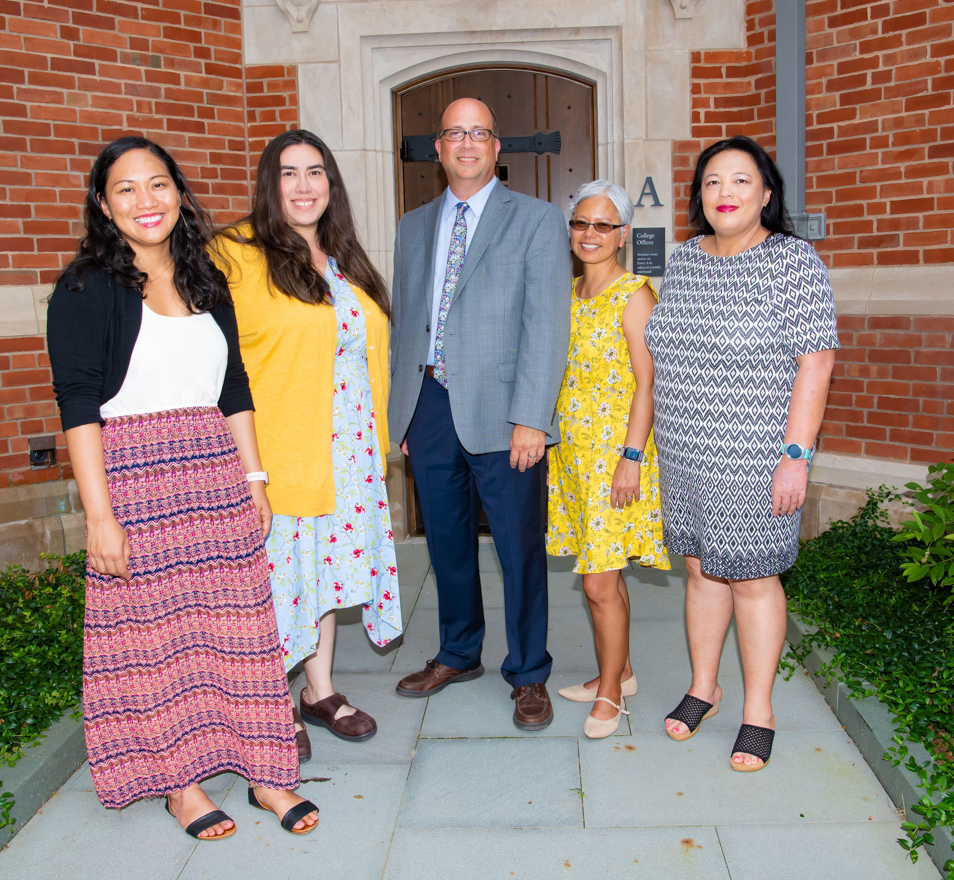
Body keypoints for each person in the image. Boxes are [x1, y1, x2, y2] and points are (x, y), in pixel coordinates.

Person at [47, 136, 318, 840]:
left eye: (159, 184)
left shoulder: (205, 279)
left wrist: (254, 477)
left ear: (178, 193)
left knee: (240, 630)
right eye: (127, 189)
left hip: (214, 472)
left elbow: (234, 388)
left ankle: (264, 771)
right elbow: (77, 405)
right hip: (133, 477)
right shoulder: (85, 286)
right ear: (104, 205)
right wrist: (99, 517)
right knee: (155, 641)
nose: (147, 201)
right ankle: (183, 786)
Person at [645, 135, 838, 771]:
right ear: (699, 196)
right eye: (712, 183)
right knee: (701, 570)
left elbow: (816, 361)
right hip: (685, 447)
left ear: (766, 194)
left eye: (740, 181)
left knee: (754, 578)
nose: (724, 194)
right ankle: (705, 686)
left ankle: (759, 709)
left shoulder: (793, 261)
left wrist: (796, 454)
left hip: (756, 453)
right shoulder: (685, 260)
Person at [212, 130, 401, 762]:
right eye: (288, 173)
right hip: (279, 449)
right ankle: (267, 703)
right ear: (269, 185)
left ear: (331, 183)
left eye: (315, 172)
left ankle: (317, 691)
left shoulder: (341, 255)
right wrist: (244, 465)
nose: (302, 185)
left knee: (318, 576)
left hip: (347, 455)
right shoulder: (234, 253)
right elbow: (215, 362)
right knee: (276, 581)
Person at [387, 98, 570, 730]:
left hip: (505, 410)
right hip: (430, 406)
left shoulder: (539, 221)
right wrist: (405, 415)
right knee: (447, 543)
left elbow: (547, 326)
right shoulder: (412, 226)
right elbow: (405, 327)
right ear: (437, 148)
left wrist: (532, 417)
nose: (467, 143)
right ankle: (459, 653)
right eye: (455, 133)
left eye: (480, 133)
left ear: (497, 148)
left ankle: (528, 672)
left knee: (519, 548)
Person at [546, 180, 670, 739]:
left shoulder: (635, 293)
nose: (589, 234)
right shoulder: (570, 292)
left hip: (614, 456)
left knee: (598, 583)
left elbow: (649, 382)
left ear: (622, 233)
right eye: (581, 223)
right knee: (604, 576)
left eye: (602, 225)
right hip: (571, 456)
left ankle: (610, 696)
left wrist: (631, 457)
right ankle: (619, 671)